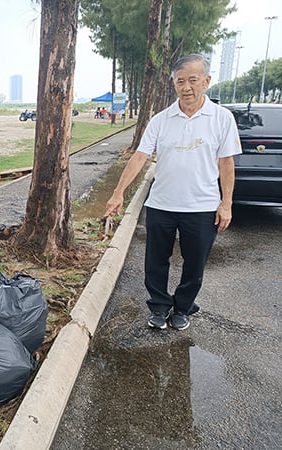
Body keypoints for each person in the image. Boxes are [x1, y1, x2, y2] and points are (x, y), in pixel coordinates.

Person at [104, 54, 241, 330]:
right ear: (174, 84)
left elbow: (226, 163)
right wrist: (119, 191)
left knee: (195, 265)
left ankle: (183, 308)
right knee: (155, 261)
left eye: (193, 80)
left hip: (202, 207)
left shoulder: (222, 118)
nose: (186, 87)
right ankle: (159, 306)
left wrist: (226, 203)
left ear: (206, 81)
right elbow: (140, 156)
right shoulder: (161, 119)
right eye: (180, 81)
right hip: (162, 204)